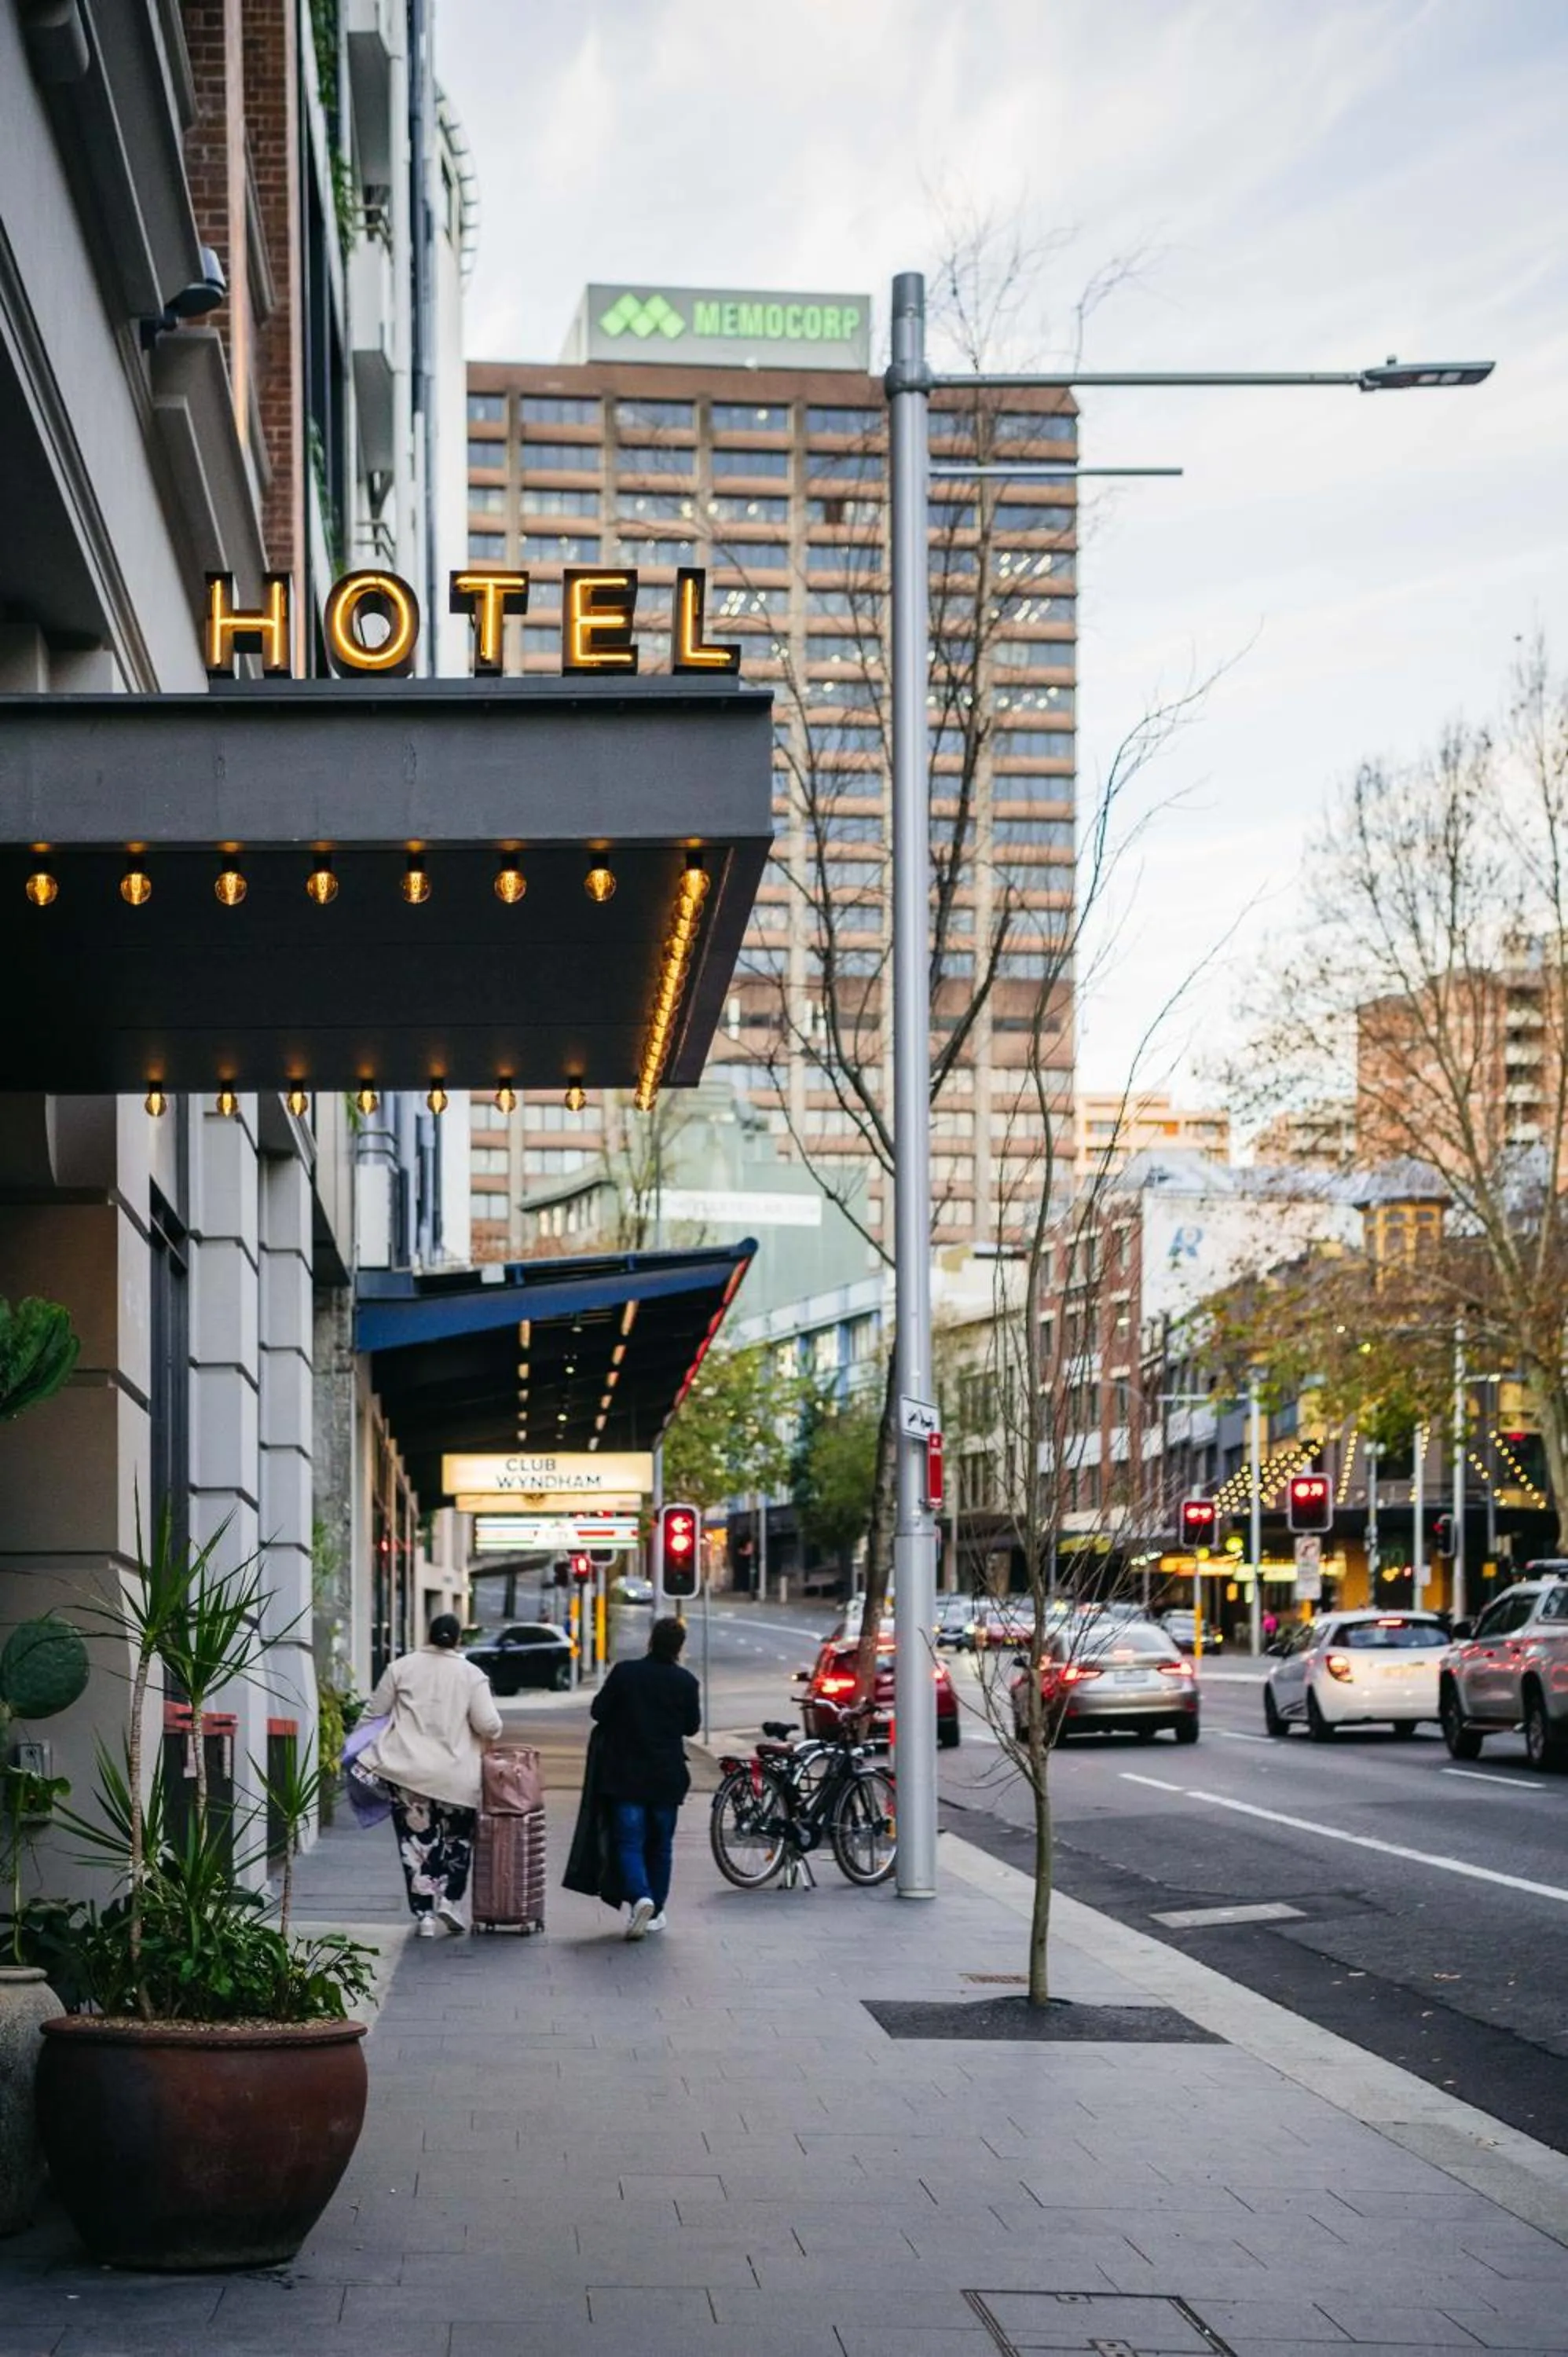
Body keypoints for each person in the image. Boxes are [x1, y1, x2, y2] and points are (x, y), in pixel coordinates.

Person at [361, 1612, 502, 1938]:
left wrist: (357, 1753)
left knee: (415, 1845)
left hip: (407, 1775)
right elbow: (489, 1724)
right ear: (458, 1640)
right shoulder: (472, 1675)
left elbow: (373, 1714)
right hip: (456, 1778)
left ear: (428, 1635)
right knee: (458, 1841)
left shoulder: (401, 1668)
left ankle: (423, 1915)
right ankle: (450, 1902)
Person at [588, 1615, 701, 1940]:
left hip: (626, 1775)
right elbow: (691, 1726)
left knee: (629, 1842)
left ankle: (641, 1897)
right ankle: (657, 1912)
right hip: (667, 1776)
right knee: (661, 1845)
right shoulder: (686, 1682)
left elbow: (598, 1711)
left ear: (650, 1641)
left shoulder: (626, 1673)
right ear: (680, 1648)